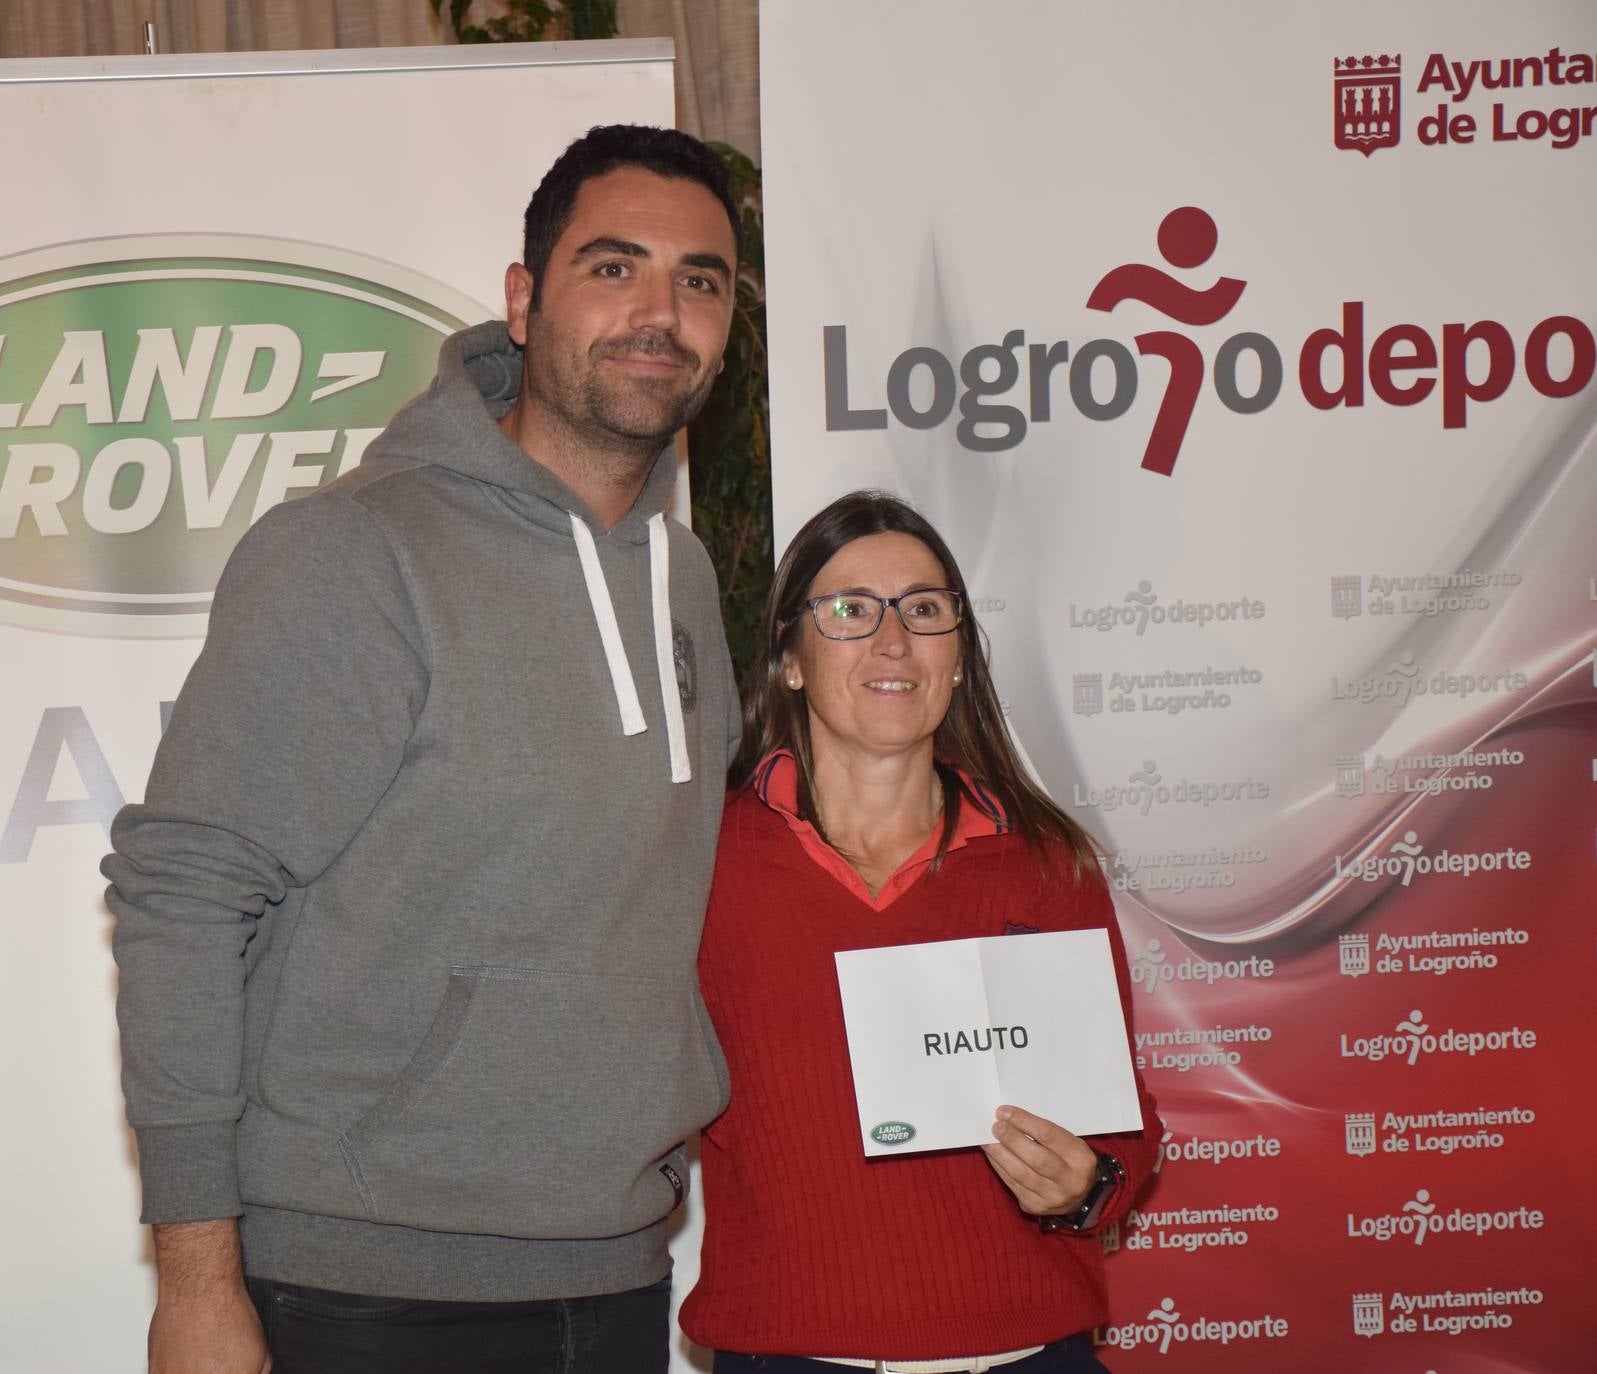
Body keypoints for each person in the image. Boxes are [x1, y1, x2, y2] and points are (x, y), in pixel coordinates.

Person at [102, 124, 743, 1374]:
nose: (659, 312)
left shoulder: (685, 575)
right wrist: (194, 1284)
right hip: (363, 1288)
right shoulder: (355, 555)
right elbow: (184, 895)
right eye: (614, 268)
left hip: (615, 1273)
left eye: (701, 281)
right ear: (523, 299)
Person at [680, 491, 1163, 1373]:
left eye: (925, 610)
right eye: (851, 610)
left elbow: (1124, 1127)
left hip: (1029, 1352)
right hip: (789, 1353)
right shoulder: (699, 865)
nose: (892, 641)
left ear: (957, 658)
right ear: (789, 656)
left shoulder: (1045, 864)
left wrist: (1085, 1186)